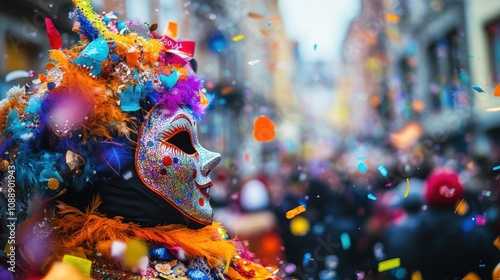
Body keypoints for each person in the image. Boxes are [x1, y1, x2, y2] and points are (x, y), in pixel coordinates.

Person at [0, 1, 279, 279]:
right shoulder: (73, 271)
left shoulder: (212, 255)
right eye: (181, 141)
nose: (210, 159)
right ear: (114, 166)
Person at [383, 167, 500, 279]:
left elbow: (386, 267)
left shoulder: (399, 234)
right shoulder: (478, 236)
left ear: (426, 196)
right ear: (460, 197)